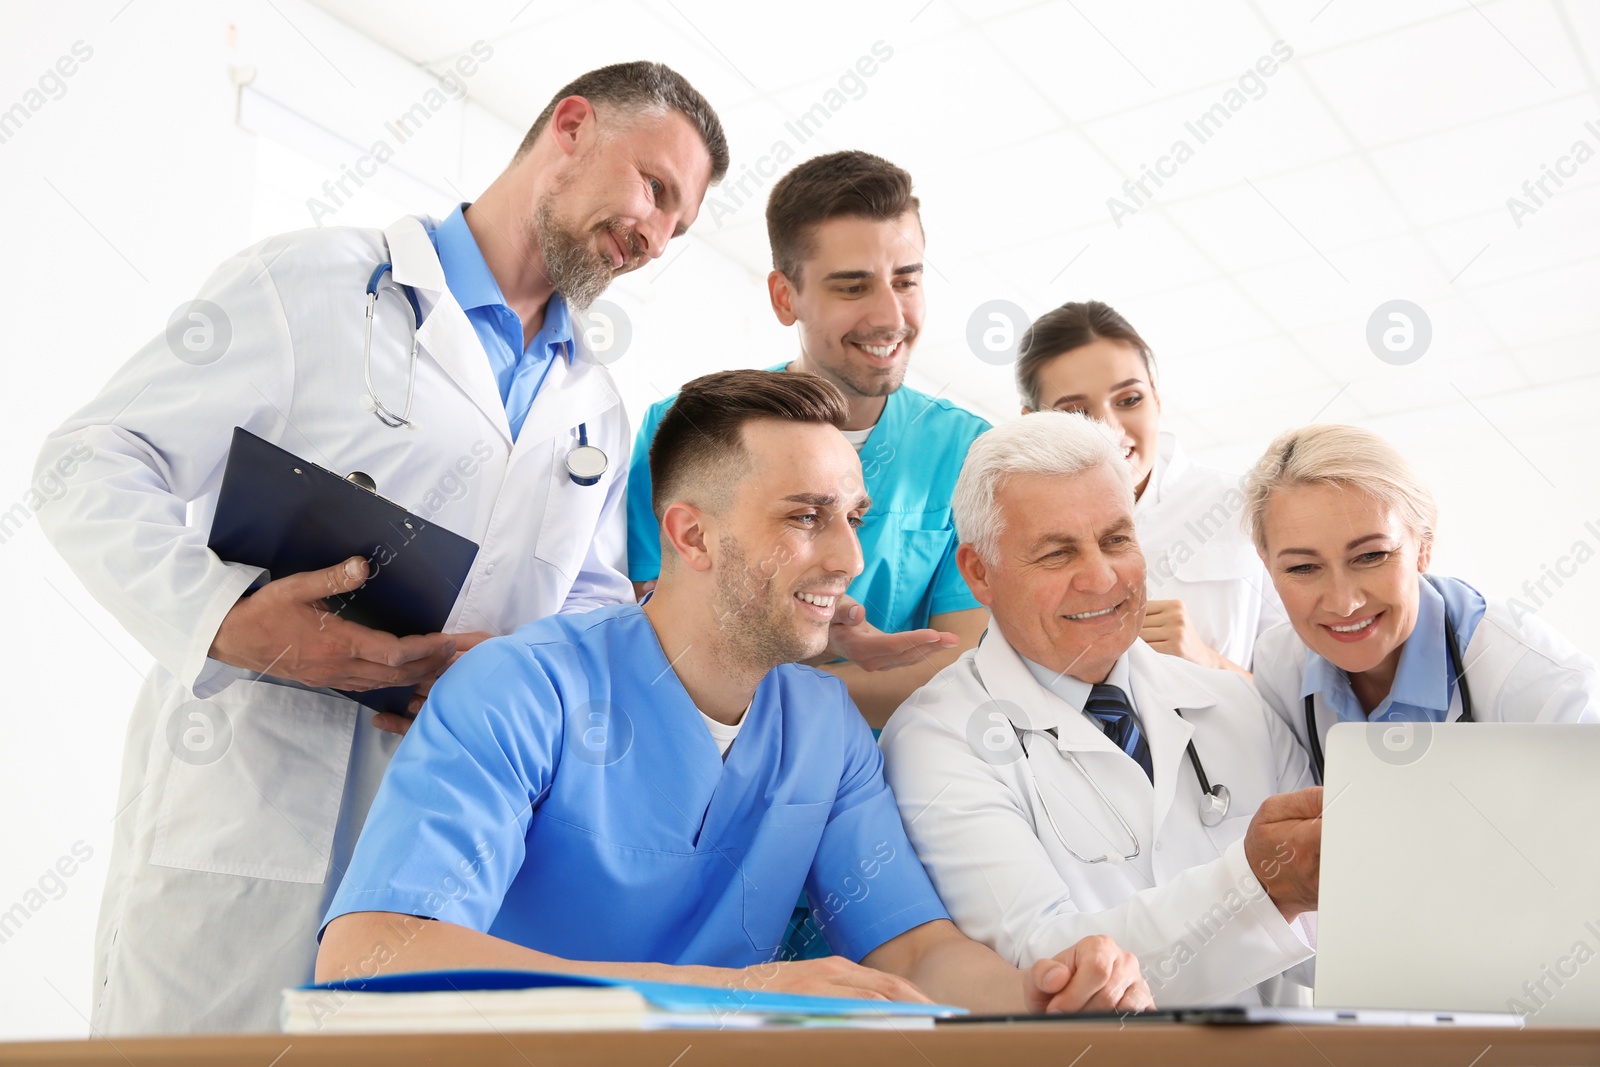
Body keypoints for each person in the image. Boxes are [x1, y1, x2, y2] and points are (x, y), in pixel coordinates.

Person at [32, 62, 727, 1034]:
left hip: (439, 846)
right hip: (251, 805)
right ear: (570, 127)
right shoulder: (308, 283)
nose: (655, 234)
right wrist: (226, 620)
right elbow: (88, 463)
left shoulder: (594, 408)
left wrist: (523, 675)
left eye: (679, 225)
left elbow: (587, 606)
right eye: (655, 187)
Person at [316, 371, 1152, 1015]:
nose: (848, 560)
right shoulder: (522, 689)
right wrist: (739, 993)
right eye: (806, 517)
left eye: (852, 517)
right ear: (691, 534)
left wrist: (1041, 988)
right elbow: (370, 949)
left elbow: (915, 952)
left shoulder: (822, 730)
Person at [879, 413, 1323, 1006]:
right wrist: (1258, 887)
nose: (1100, 576)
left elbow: (1339, 932)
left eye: (1116, 540)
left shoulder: (1238, 704)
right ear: (979, 573)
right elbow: (1047, 965)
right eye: (1057, 553)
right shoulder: (935, 737)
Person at [625, 151, 991, 729]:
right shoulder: (682, 429)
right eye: (853, 287)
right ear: (784, 297)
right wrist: (834, 665)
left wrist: (750, 680)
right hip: (693, 747)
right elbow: (666, 631)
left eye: (906, 280)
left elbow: (955, 668)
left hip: (884, 778)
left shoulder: (972, 455)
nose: (889, 315)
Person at [1245, 423, 1600, 780]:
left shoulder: (1541, 688)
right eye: (1303, 567)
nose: (1344, 603)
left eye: (1371, 556)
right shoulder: (1278, 668)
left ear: (1424, 547)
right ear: (1267, 565)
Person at [1016, 301, 1283, 674]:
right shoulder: (1016, 532)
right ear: (1033, 425)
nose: (1110, 429)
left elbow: (1300, 706)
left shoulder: (1245, 506)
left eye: (1129, 400)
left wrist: (1207, 661)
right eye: (1075, 412)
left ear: (1156, 400)